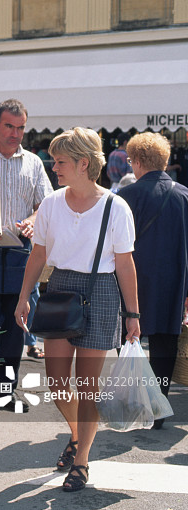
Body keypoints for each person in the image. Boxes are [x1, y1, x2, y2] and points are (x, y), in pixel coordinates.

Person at [14, 127, 139, 492]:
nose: (54, 167)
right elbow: (38, 254)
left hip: (102, 292)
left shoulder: (116, 206)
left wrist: (133, 316)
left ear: (83, 164)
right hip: (61, 290)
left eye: (61, 161)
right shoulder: (51, 203)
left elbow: (125, 264)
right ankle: (76, 433)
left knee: (87, 387)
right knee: (56, 382)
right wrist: (24, 297)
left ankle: (82, 460)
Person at [0, 99, 53, 411]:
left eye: (20, 128)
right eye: (9, 126)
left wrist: (33, 221)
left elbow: (45, 204)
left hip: (20, 254)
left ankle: (4, 393)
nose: (15, 133)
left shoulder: (33, 163)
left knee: (13, 331)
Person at [116, 132, 188, 429]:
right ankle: (158, 407)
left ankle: (132, 402)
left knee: (127, 341)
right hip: (173, 281)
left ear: (138, 161)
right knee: (164, 345)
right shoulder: (184, 195)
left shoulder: (124, 197)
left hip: (130, 280)